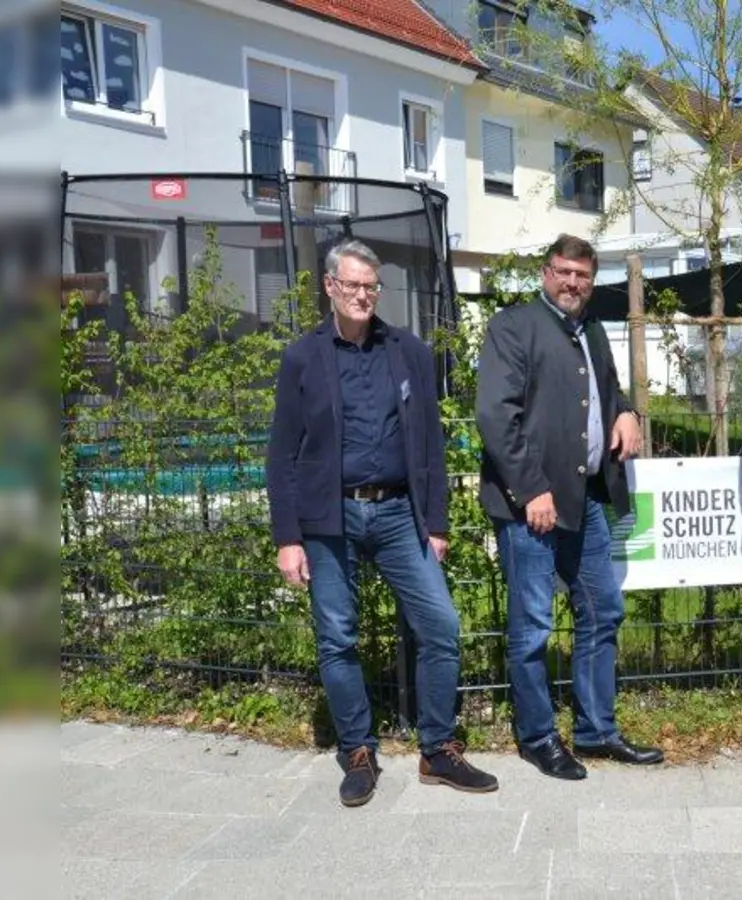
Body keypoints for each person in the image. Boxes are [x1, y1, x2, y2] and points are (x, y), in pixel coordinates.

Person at [266, 238, 496, 807]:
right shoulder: (302, 358)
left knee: (440, 625)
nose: (363, 295)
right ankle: (358, 751)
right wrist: (288, 537)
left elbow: (431, 444)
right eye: (352, 284)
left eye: (371, 286)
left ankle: (437, 749)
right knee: (337, 636)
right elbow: (282, 453)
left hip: (398, 514)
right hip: (330, 516)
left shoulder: (408, 351)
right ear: (330, 287)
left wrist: (436, 523)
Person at [475, 233, 664, 781]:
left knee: (603, 609)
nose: (572, 283)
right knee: (533, 626)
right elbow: (495, 416)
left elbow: (607, 390)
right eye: (563, 271)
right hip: (530, 507)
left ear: (592, 281)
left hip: (586, 501)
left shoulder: (592, 330)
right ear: (545, 272)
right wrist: (530, 488)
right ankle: (538, 738)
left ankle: (596, 729)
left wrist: (625, 411)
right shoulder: (514, 327)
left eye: (582, 275)